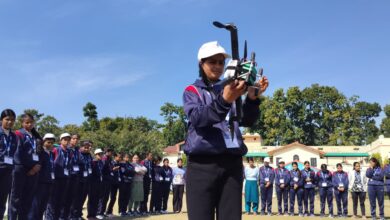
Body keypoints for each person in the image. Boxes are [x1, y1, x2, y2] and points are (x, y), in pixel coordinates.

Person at [183, 41, 268, 220]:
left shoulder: (230, 89)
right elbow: (199, 118)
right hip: (201, 165)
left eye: (221, 62)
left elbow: (246, 120)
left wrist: (252, 100)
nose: (217, 66)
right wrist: (224, 101)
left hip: (232, 164)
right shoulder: (192, 91)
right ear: (201, 64)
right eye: (212, 62)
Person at [10, 113, 42, 220]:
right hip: (21, 169)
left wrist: (37, 166)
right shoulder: (18, 134)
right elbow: (18, 153)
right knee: (16, 198)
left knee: (28, 199)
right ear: (22, 123)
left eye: (31, 122)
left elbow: (39, 153)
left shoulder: (36, 136)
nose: (29, 124)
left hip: (33, 171)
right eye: (27, 122)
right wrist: (28, 168)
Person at [28, 133, 56, 220]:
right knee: (35, 206)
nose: (50, 144)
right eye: (48, 142)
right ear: (43, 142)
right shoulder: (40, 152)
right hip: (39, 183)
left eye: (52, 143)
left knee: (43, 206)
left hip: (49, 182)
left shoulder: (51, 154)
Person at [46, 133, 73, 219]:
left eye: (68, 140)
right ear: (60, 140)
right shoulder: (55, 150)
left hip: (65, 179)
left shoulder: (69, 152)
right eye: (64, 139)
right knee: (52, 201)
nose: (66, 141)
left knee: (61, 200)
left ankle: (57, 217)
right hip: (56, 178)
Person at [0, 109, 18, 219]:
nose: (10, 122)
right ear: (1, 120)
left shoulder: (14, 136)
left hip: (8, 171)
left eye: (12, 120)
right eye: (7, 119)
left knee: (2, 200)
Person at [73, 140, 94, 220]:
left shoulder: (89, 155)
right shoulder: (78, 154)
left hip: (87, 180)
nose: (86, 149)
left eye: (88, 148)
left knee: (83, 198)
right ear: (81, 147)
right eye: (85, 147)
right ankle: (74, 215)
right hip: (79, 180)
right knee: (76, 199)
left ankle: (79, 214)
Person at [66, 134, 82, 219]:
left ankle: (71, 215)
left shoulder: (77, 150)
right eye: (74, 138)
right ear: (70, 139)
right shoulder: (66, 149)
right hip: (67, 176)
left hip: (75, 176)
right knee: (66, 197)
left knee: (73, 198)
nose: (75, 140)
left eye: (77, 139)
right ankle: (65, 216)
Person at [87, 148, 104, 220]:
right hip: (92, 183)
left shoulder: (101, 162)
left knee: (97, 198)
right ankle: (90, 215)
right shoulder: (93, 162)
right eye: (99, 154)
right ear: (95, 155)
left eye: (101, 154)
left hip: (99, 182)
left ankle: (94, 214)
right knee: (91, 199)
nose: (100, 155)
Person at [97, 148, 114, 218]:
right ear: (107, 152)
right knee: (102, 197)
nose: (111, 154)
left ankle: (103, 211)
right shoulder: (104, 159)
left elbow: (109, 169)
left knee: (106, 197)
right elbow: (102, 169)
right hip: (104, 180)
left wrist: (112, 169)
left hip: (108, 180)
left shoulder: (109, 159)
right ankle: (99, 212)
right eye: (110, 152)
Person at [106, 152, 123, 217]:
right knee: (112, 197)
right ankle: (108, 211)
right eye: (119, 157)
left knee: (114, 198)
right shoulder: (111, 163)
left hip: (118, 182)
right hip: (112, 182)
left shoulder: (119, 163)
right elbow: (109, 171)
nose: (120, 158)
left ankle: (111, 211)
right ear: (115, 157)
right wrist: (113, 169)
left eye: (121, 157)